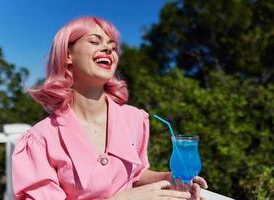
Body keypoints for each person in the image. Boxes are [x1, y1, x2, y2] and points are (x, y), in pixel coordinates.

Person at [12, 16, 208, 200]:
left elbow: (135, 174)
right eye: (95, 42)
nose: (108, 49)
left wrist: (170, 179)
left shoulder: (135, 120)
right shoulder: (40, 140)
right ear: (67, 55)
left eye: (112, 47)